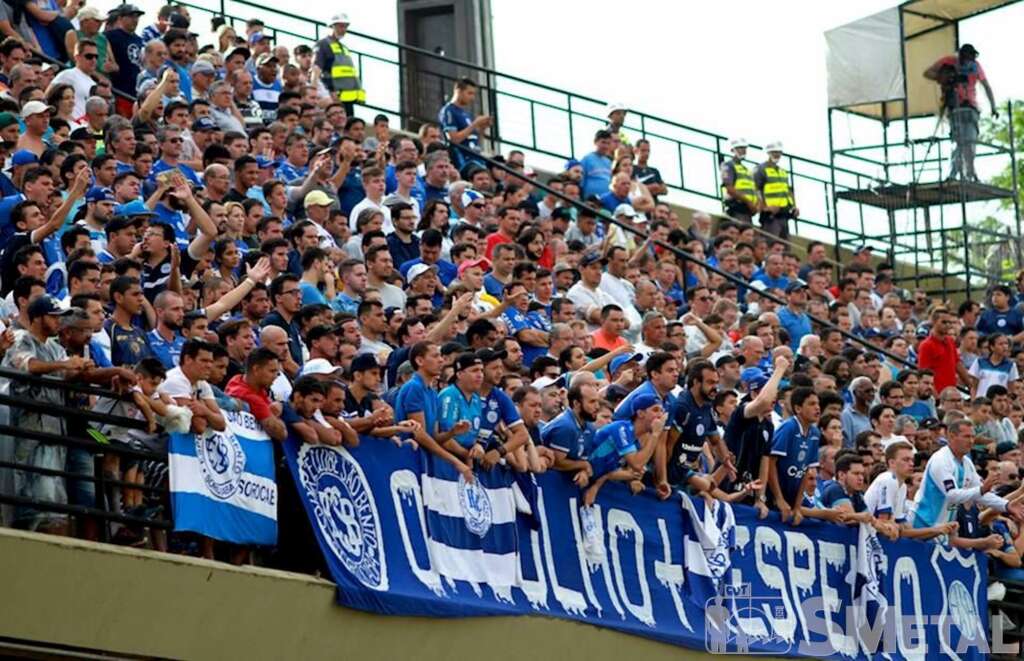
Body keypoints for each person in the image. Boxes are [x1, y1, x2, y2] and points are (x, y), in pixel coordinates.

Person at [912, 419, 1023, 529]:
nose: (971, 441)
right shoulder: (941, 460)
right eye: (966, 436)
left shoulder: (966, 463)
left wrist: (1006, 505)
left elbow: (981, 494)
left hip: (942, 527)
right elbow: (952, 495)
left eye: (972, 437)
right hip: (922, 522)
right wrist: (981, 489)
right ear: (951, 436)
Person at [923, 43, 997, 182]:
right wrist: (947, 77)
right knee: (960, 142)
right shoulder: (950, 62)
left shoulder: (976, 66)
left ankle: (969, 172)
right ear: (962, 55)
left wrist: (993, 106)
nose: (969, 59)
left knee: (969, 142)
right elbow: (928, 73)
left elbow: (986, 85)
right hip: (955, 108)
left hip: (970, 108)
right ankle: (956, 173)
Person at [768, 386, 820, 525]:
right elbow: (770, 463)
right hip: (772, 497)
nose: (817, 408)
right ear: (798, 408)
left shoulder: (815, 433)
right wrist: (779, 499)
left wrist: (797, 506)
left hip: (791, 498)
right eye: (811, 404)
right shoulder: (788, 427)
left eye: (818, 404)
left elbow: (804, 471)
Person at [315, 12, 364, 113]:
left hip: (348, 99)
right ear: (331, 26)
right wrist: (330, 92)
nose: (344, 30)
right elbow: (318, 71)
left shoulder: (344, 48)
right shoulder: (323, 44)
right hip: (335, 98)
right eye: (341, 26)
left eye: (345, 27)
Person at [439, 77, 489, 171]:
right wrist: (475, 124)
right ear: (458, 91)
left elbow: (475, 140)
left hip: (475, 158)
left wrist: (482, 128)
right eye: (469, 93)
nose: (472, 98)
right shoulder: (449, 110)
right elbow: (453, 139)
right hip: (463, 160)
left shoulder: (465, 113)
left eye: (474, 94)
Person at [754, 141, 798, 239]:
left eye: (779, 152)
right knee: (771, 244)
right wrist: (764, 207)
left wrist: (794, 206)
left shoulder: (782, 171)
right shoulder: (761, 169)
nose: (777, 154)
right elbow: (755, 188)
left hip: (784, 214)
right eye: (774, 152)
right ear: (768, 153)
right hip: (771, 216)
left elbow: (788, 191)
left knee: (785, 247)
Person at [720, 137, 759, 223]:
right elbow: (729, 189)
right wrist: (749, 202)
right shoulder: (728, 165)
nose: (743, 150)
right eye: (740, 148)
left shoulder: (745, 170)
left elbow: (752, 191)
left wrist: (755, 205)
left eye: (744, 148)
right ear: (732, 150)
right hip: (737, 209)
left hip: (747, 211)